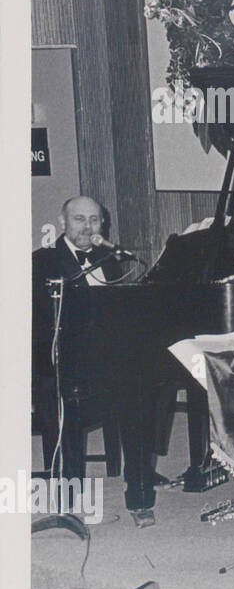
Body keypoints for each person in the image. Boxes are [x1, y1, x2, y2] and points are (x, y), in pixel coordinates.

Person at [31, 197, 163, 526]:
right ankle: (67, 505)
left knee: (140, 393)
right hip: (59, 365)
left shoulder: (109, 261)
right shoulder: (42, 262)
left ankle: (141, 495)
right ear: (63, 223)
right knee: (58, 400)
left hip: (105, 364)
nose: (88, 227)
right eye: (79, 219)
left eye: (95, 220)